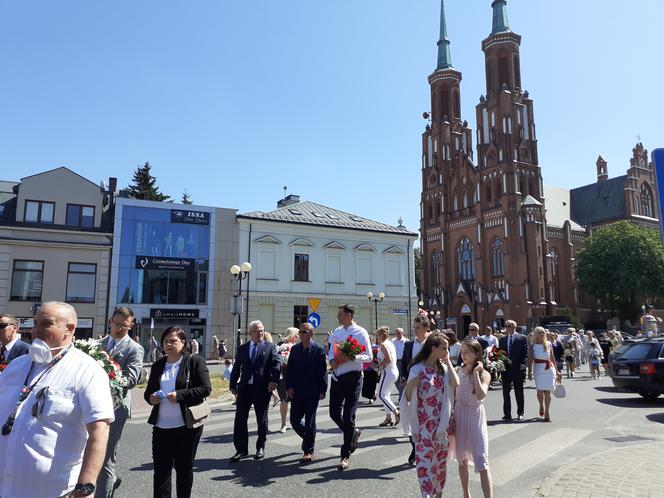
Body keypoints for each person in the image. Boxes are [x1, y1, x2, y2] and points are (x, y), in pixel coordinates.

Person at [0, 302, 114, 498]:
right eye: (35, 323)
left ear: (69, 329)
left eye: (45, 324)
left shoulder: (87, 371)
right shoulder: (16, 366)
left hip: (53, 491)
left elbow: (99, 432)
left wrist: (85, 487)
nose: (36, 330)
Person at [144, 326, 211, 498]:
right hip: (161, 426)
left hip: (186, 426)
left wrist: (180, 395)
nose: (169, 344)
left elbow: (205, 388)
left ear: (183, 342)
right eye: (166, 341)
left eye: (173, 341)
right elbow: (148, 392)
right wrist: (151, 398)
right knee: (161, 471)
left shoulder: (194, 361)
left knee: (184, 469)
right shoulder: (159, 365)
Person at [403, 332, 459, 498]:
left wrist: (448, 361)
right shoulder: (417, 368)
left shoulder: (442, 369)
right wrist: (412, 383)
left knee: (440, 467)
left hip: (441, 426)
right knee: (426, 467)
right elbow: (406, 398)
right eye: (444, 348)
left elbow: (456, 383)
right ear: (434, 348)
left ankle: (438, 494)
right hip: (424, 426)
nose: (446, 351)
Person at [96, 307, 145, 498]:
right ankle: (111, 480)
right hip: (92, 405)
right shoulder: (97, 344)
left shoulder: (134, 348)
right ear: (110, 321)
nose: (119, 328)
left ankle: (105, 491)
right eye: (117, 324)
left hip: (116, 407)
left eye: (124, 326)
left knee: (107, 456)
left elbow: (131, 379)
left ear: (131, 325)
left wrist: (108, 373)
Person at [328, 304, 373, 470]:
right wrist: (332, 360)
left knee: (348, 416)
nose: (337, 317)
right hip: (337, 377)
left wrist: (352, 356)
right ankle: (353, 433)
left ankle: (345, 455)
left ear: (349, 315)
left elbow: (368, 356)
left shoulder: (361, 332)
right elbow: (331, 352)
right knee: (334, 413)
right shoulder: (337, 332)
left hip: (354, 378)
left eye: (340, 314)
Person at [229, 321, 280, 462]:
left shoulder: (270, 347)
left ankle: (260, 447)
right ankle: (241, 449)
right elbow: (236, 368)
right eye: (257, 331)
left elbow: (276, 365)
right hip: (245, 388)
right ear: (250, 332)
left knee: (261, 419)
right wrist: (233, 384)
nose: (260, 333)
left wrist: (274, 381)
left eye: (262, 330)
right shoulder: (243, 348)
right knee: (240, 419)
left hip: (262, 388)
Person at [453, 339, 493, 498]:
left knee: (482, 461)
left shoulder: (485, 374)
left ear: (477, 354)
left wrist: (476, 373)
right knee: (462, 460)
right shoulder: (457, 371)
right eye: (462, 352)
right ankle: (466, 494)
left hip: (475, 416)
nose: (463, 355)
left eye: (467, 352)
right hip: (459, 414)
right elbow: (451, 396)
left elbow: (481, 394)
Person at [286, 322, 328, 463]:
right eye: (300, 332)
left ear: (311, 333)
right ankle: (309, 437)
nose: (301, 334)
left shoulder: (319, 349)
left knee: (310, 421)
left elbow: (322, 372)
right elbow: (290, 370)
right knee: (294, 420)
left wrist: (323, 389)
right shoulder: (295, 349)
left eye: (304, 332)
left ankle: (308, 451)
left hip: (312, 390)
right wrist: (289, 387)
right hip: (297, 390)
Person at [400, 315, 432, 465]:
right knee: (409, 415)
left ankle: (421, 448)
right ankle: (414, 446)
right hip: (411, 385)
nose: (415, 329)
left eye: (418, 327)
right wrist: (403, 377)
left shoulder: (432, 345)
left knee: (423, 417)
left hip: (427, 386)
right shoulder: (408, 345)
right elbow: (405, 364)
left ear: (426, 329)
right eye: (414, 327)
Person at [527, 327, 561, 422]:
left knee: (548, 391)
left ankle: (547, 412)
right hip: (538, 369)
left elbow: (553, 358)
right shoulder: (532, 345)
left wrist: (557, 371)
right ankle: (541, 406)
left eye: (543, 332)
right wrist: (529, 371)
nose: (542, 334)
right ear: (535, 334)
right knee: (540, 391)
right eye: (539, 332)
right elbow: (530, 359)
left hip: (549, 369)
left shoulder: (549, 344)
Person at [498, 320, 528, 421]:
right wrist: (502, 362)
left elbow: (525, 353)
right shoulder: (502, 339)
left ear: (514, 327)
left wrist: (523, 366)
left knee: (519, 392)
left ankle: (520, 413)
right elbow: (500, 354)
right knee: (505, 393)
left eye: (509, 326)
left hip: (518, 369)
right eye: (506, 326)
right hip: (505, 370)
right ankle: (507, 414)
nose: (507, 328)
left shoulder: (522, 338)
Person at [375, 326, 400, 426]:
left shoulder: (383, 345)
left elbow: (388, 359)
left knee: (381, 394)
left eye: (378, 335)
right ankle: (388, 417)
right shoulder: (391, 343)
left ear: (381, 335)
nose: (378, 337)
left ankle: (396, 412)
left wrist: (379, 367)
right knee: (386, 394)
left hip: (388, 371)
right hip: (393, 371)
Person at [276, 327, 299, 433]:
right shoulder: (282, 346)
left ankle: (296, 421)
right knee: (284, 400)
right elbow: (278, 359)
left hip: (295, 376)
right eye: (297, 335)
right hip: (284, 375)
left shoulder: (298, 347)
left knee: (296, 401)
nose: (298, 337)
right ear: (293, 336)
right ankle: (283, 424)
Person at [391, 327, 409, 398]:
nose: (397, 334)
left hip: (403, 362)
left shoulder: (406, 341)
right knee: (395, 379)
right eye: (396, 333)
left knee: (402, 378)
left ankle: (401, 396)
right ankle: (402, 392)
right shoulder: (392, 341)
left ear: (402, 333)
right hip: (394, 361)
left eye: (399, 333)